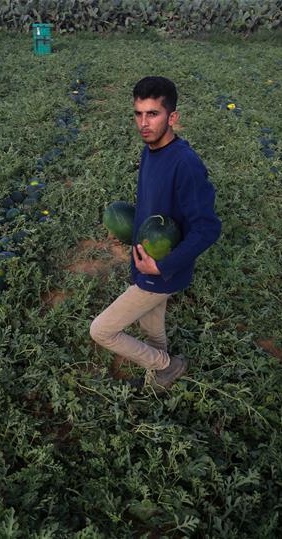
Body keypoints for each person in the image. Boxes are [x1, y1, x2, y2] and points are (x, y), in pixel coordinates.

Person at [90, 76, 221, 391]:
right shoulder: (152, 150)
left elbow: (208, 228)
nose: (144, 123)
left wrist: (162, 266)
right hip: (145, 263)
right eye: (138, 114)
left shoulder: (186, 165)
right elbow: (152, 208)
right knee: (152, 328)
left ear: (173, 117)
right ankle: (160, 378)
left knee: (102, 331)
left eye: (153, 114)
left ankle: (167, 366)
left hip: (160, 270)